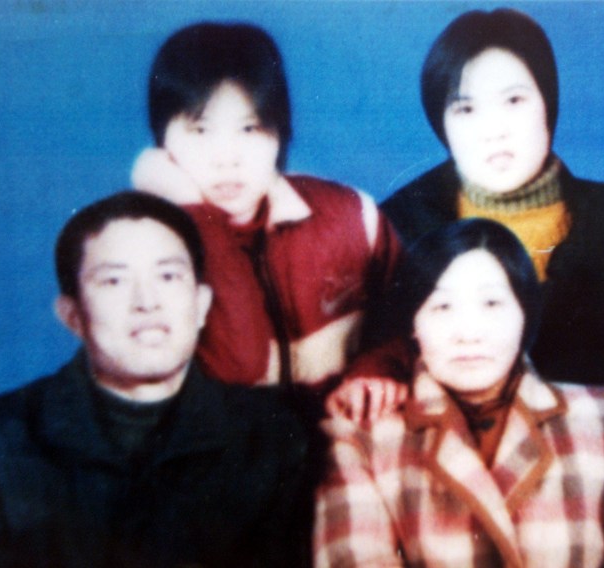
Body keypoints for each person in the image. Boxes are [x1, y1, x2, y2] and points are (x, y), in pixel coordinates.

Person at [380, 7, 604, 485]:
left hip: (588, 496)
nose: (494, 128)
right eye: (466, 108)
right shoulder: (401, 223)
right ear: (442, 123)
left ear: (548, 103)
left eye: (514, 100)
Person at [314, 218, 604, 567]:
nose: (469, 331)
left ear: (525, 315)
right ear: (413, 324)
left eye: (492, 303)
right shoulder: (363, 437)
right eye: (443, 306)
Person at [0, 191, 308, 568]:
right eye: (114, 282)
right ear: (72, 315)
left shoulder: (272, 439)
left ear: (201, 305)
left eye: (168, 276)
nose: (147, 302)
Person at [131, 22, 402, 406]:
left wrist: (377, 369)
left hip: (355, 453)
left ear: (279, 131)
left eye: (249, 128)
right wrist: (198, 220)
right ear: (162, 141)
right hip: (228, 463)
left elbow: (413, 319)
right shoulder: (141, 255)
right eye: (201, 131)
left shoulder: (351, 217)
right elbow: (240, 367)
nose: (227, 158)